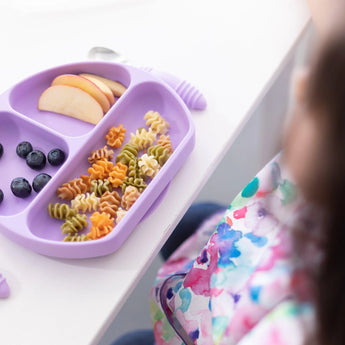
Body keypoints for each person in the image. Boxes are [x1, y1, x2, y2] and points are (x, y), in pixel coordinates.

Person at [112, 4, 345, 345]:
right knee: (189, 217)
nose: (302, 81)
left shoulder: (295, 331)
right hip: (252, 243)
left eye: (318, 98)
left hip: (220, 325)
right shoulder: (328, 182)